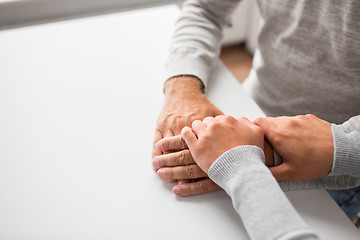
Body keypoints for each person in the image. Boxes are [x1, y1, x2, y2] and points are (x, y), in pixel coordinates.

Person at [151, 0, 360, 237]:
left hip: (337, 171)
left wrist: (341, 148)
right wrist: (183, 86)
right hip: (247, 111)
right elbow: (204, 8)